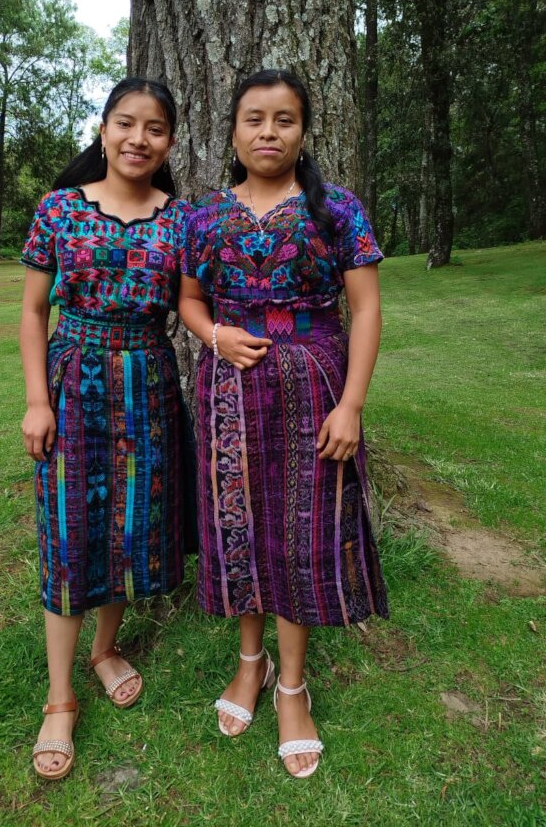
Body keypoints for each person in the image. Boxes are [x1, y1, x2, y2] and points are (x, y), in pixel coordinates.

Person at [179, 69, 388, 779]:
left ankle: (292, 687)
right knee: (238, 527)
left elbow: (365, 309)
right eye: (255, 119)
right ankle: (250, 663)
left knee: (301, 532)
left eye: (285, 120)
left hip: (314, 385)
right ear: (233, 131)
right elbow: (188, 298)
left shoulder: (337, 211)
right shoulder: (203, 216)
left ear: (305, 130)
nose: (269, 133)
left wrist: (351, 403)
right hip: (228, 388)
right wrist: (214, 337)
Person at [20, 77, 191, 781]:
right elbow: (33, 312)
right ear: (104, 129)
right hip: (72, 381)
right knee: (69, 530)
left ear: (170, 141)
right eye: (125, 123)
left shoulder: (179, 221)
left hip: (148, 385)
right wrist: (37, 400)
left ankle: (103, 650)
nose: (138, 139)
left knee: (126, 528)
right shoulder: (60, 210)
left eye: (154, 128)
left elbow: (197, 305)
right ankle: (60, 697)